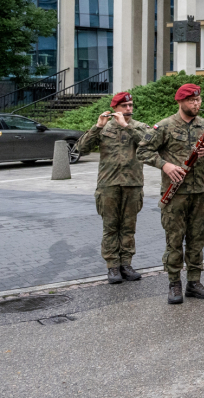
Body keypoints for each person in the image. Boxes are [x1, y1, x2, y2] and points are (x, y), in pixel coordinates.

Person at [138, 83, 204, 304]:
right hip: (175, 194)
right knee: (174, 240)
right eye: (192, 101)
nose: (197, 104)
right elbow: (142, 150)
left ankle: (194, 282)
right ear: (181, 102)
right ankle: (174, 283)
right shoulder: (165, 126)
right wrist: (165, 165)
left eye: (199, 100)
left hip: (200, 193)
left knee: (197, 239)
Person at [77, 91, 150, 284]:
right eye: (124, 106)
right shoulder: (104, 127)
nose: (128, 109)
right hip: (108, 185)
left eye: (131, 106)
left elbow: (150, 144)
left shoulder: (139, 127)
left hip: (132, 184)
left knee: (128, 227)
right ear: (114, 108)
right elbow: (81, 149)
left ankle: (126, 264)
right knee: (110, 228)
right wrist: (97, 126)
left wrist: (126, 126)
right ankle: (112, 267)